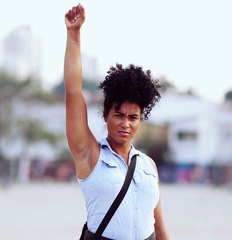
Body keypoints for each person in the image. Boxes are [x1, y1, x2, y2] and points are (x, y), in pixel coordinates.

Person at [64, 4, 169, 240]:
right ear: (106, 116)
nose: (126, 124)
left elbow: (159, 227)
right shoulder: (89, 155)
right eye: (119, 115)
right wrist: (74, 35)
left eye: (133, 117)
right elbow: (73, 92)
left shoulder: (148, 166)